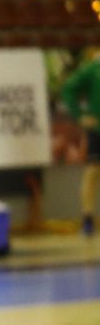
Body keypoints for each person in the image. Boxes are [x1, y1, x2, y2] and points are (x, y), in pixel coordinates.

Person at [59, 47, 100, 236]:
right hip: (97, 129)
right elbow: (69, 89)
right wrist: (80, 115)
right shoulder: (93, 69)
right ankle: (88, 218)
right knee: (92, 172)